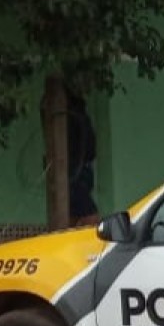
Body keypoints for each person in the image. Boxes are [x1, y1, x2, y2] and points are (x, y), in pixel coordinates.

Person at [66, 91, 99, 228]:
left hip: (80, 170)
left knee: (78, 215)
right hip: (76, 172)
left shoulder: (78, 115)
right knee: (90, 216)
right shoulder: (73, 116)